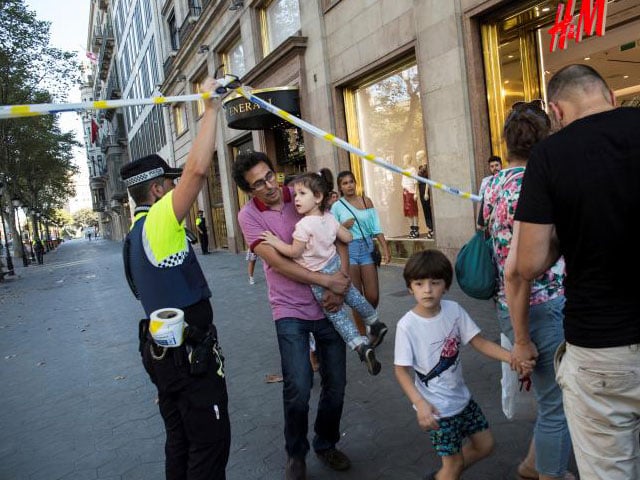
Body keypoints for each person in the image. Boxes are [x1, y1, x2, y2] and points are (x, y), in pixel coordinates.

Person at [505, 64, 640, 480]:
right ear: (611, 96)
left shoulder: (550, 156)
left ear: (556, 111)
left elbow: (527, 264)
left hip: (602, 347)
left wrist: (566, 233)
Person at [119, 76, 230, 480]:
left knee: (180, 441)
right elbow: (198, 172)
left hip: (167, 358)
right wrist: (211, 109)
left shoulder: (134, 236)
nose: (177, 189)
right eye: (170, 183)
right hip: (188, 359)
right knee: (209, 445)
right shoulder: (160, 221)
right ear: (156, 190)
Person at [232, 151, 352, 480]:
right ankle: (295, 454)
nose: (270, 186)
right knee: (299, 385)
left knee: (337, 384)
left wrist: (339, 280)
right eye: (259, 184)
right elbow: (279, 262)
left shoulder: (301, 193)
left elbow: (338, 235)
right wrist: (325, 280)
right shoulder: (248, 217)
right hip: (289, 308)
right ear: (248, 190)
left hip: (328, 304)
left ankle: (326, 443)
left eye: (271, 176)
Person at [481, 100, 573, 480]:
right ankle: (551, 474)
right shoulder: (540, 183)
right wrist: (521, 339)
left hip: (509, 304)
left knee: (551, 398)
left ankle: (533, 464)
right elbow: (523, 269)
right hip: (542, 305)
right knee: (556, 404)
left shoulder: (492, 184)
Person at [394, 249, 533, 480]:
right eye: (419, 284)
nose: (427, 290)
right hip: (437, 409)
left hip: (463, 400)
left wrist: (512, 358)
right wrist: (420, 403)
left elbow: (479, 342)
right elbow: (400, 370)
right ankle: (447, 473)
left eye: (435, 282)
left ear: (446, 286)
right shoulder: (407, 325)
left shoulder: (454, 310)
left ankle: (442, 476)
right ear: (410, 287)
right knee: (453, 463)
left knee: (485, 445)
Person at [260, 171, 389, 375]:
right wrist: (340, 231)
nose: (296, 199)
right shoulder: (329, 218)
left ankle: (360, 344)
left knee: (336, 314)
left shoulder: (302, 226)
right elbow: (346, 238)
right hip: (337, 267)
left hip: (320, 277)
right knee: (354, 296)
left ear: (318, 197)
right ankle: (375, 321)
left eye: (302, 194)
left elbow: (294, 251)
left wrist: (276, 242)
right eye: (295, 195)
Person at [331, 170, 390, 335]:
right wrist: (343, 226)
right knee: (357, 297)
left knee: (373, 295)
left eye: (351, 181)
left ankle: (369, 319)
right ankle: (363, 335)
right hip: (349, 250)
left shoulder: (366, 201)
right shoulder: (336, 206)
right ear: (340, 187)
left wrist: (385, 247)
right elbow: (330, 231)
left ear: (356, 183)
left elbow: (376, 226)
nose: (349, 185)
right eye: (345, 183)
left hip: (367, 248)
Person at [401, 153, 420, 238]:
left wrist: (416, 193)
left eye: (405, 159)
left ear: (408, 159)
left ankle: (416, 230)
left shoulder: (413, 169)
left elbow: (416, 181)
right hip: (405, 192)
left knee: (413, 211)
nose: (404, 160)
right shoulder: (403, 170)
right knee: (407, 212)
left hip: (411, 192)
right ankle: (412, 229)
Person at [416, 150, 434, 239]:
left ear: (422, 156)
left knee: (427, 209)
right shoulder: (420, 168)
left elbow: (427, 180)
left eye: (418, 156)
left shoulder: (426, 167)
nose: (417, 158)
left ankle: (431, 229)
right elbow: (417, 181)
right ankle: (430, 228)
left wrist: (426, 192)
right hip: (421, 189)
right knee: (425, 209)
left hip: (425, 189)